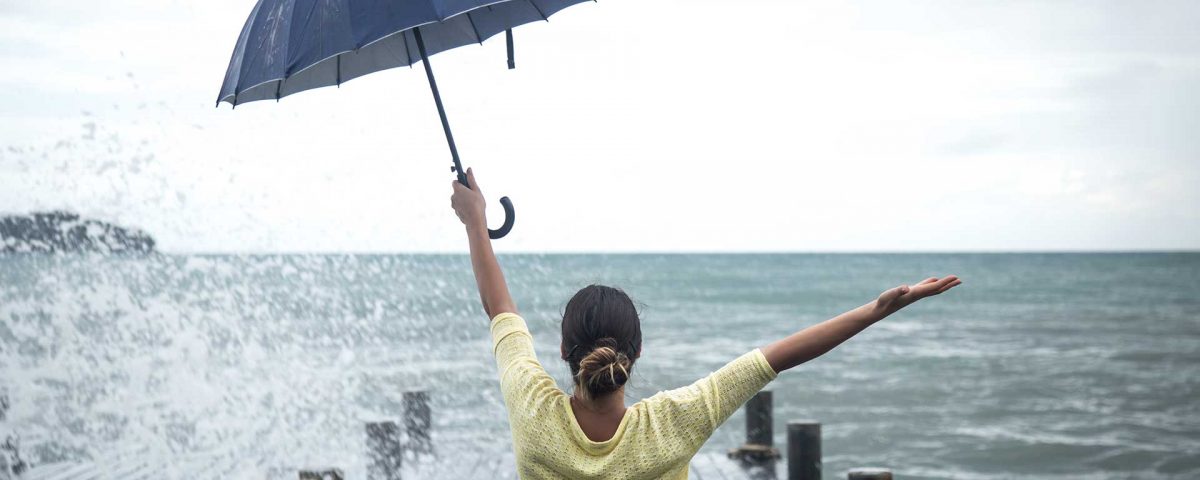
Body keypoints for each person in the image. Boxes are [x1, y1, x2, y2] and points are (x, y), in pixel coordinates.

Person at [450, 169, 962, 480]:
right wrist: (875, 311)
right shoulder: (672, 424)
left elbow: (501, 309)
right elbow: (776, 357)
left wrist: (476, 220)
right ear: (638, 350)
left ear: (563, 349)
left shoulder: (533, 412)